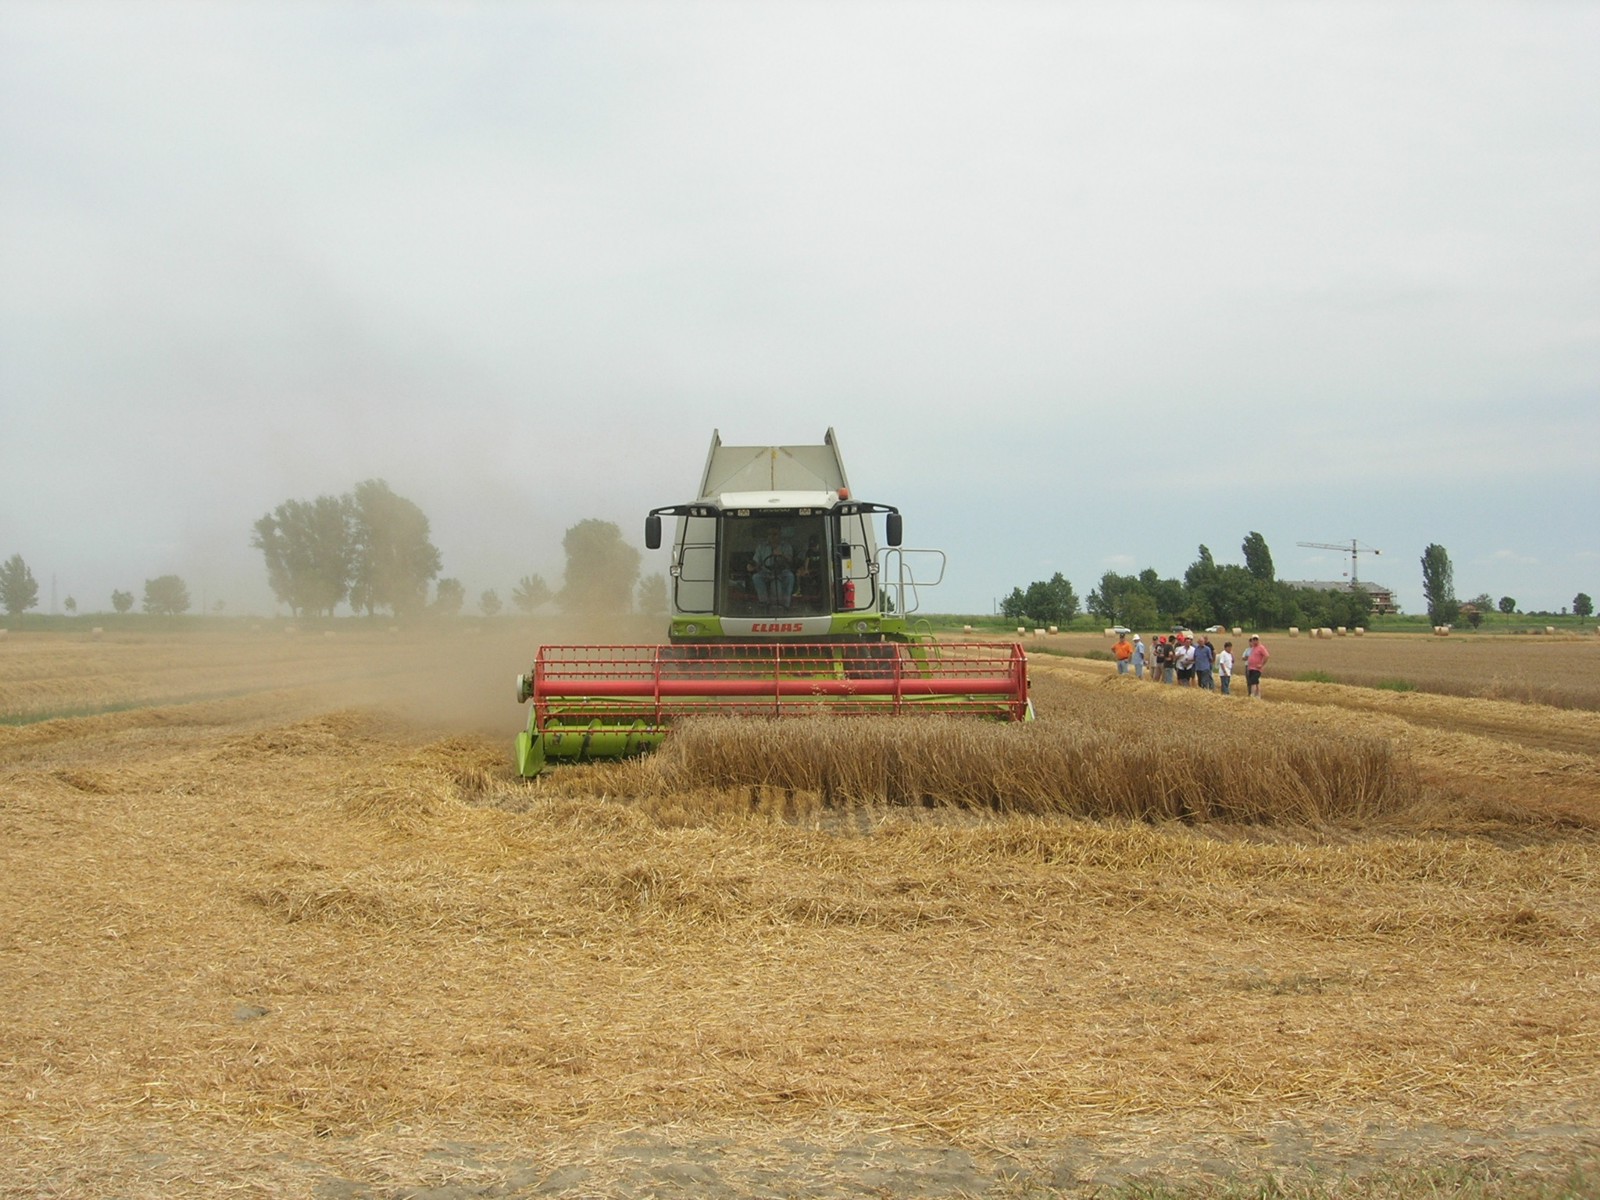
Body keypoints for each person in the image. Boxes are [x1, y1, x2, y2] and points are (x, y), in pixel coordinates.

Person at [748, 526, 795, 609]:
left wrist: (781, 554)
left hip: (782, 572)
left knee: (790, 576)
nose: (771, 537)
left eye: (774, 534)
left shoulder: (786, 546)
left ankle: (786, 604)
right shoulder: (761, 547)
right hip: (766, 572)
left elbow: (790, 561)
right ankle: (764, 602)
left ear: (780, 535)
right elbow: (756, 561)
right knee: (756, 577)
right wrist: (752, 566)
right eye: (769, 534)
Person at [1246, 634, 1270, 698]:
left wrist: (1261, 664)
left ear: (1258, 640)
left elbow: (1267, 655)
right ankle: (1258, 695)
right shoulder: (1253, 648)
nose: (1255, 641)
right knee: (1256, 682)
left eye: (1256, 639)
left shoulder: (1261, 647)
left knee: (1253, 682)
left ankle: (1252, 695)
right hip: (1251, 668)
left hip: (1256, 668)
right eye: (1254, 639)